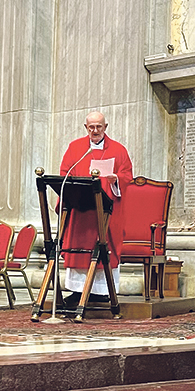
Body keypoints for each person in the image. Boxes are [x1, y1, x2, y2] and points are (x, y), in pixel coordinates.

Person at [59, 111, 134, 306]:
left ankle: (102, 291)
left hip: (105, 212)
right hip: (81, 211)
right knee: (79, 245)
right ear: (86, 127)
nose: (95, 130)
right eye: (91, 127)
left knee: (103, 247)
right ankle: (78, 290)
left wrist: (116, 179)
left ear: (105, 127)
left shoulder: (118, 150)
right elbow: (65, 172)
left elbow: (127, 176)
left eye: (98, 126)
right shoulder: (75, 148)